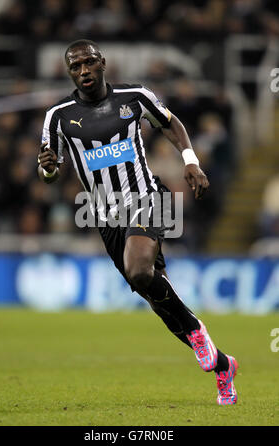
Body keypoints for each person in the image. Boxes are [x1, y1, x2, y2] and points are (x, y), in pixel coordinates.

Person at [37, 39, 238, 405]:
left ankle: (197, 333)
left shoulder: (135, 96)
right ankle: (222, 364)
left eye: (89, 63)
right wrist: (48, 169)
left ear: (102, 63)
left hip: (149, 197)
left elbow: (171, 123)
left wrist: (190, 160)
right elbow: (49, 169)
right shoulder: (58, 116)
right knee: (152, 294)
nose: (84, 71)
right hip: (106, 216)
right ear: (70, 73)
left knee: (140, 271)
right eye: (75, 67)